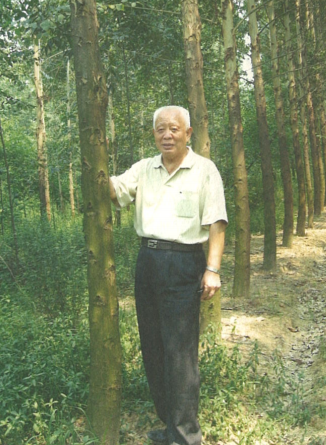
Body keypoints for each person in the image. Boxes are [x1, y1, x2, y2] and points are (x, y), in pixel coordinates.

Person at [109, 106, 227, 445]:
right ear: (154, 134)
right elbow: (115, 190)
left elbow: (217, 222)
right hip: (148, 260)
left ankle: (186, 435)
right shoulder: (144, 169)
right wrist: (96, 170)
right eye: (161, 129)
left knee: (180, 351)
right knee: (153, 346)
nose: (167, 135)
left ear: (188, 133)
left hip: (184, 261)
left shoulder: (204, 170)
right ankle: (170, 424)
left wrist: (212, 269)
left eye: (174, 129)